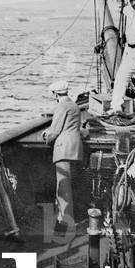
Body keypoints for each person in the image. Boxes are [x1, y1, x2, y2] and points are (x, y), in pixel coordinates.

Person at [41, 80, 85, 232]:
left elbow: (55, 130)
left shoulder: (61, 106)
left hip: (63, 149)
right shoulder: (74, 105)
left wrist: (46, 136)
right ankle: (64, 218)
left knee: (63, 187)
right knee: (69, 184)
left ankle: (66, 222)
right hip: (75, 148)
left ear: (55, 94)